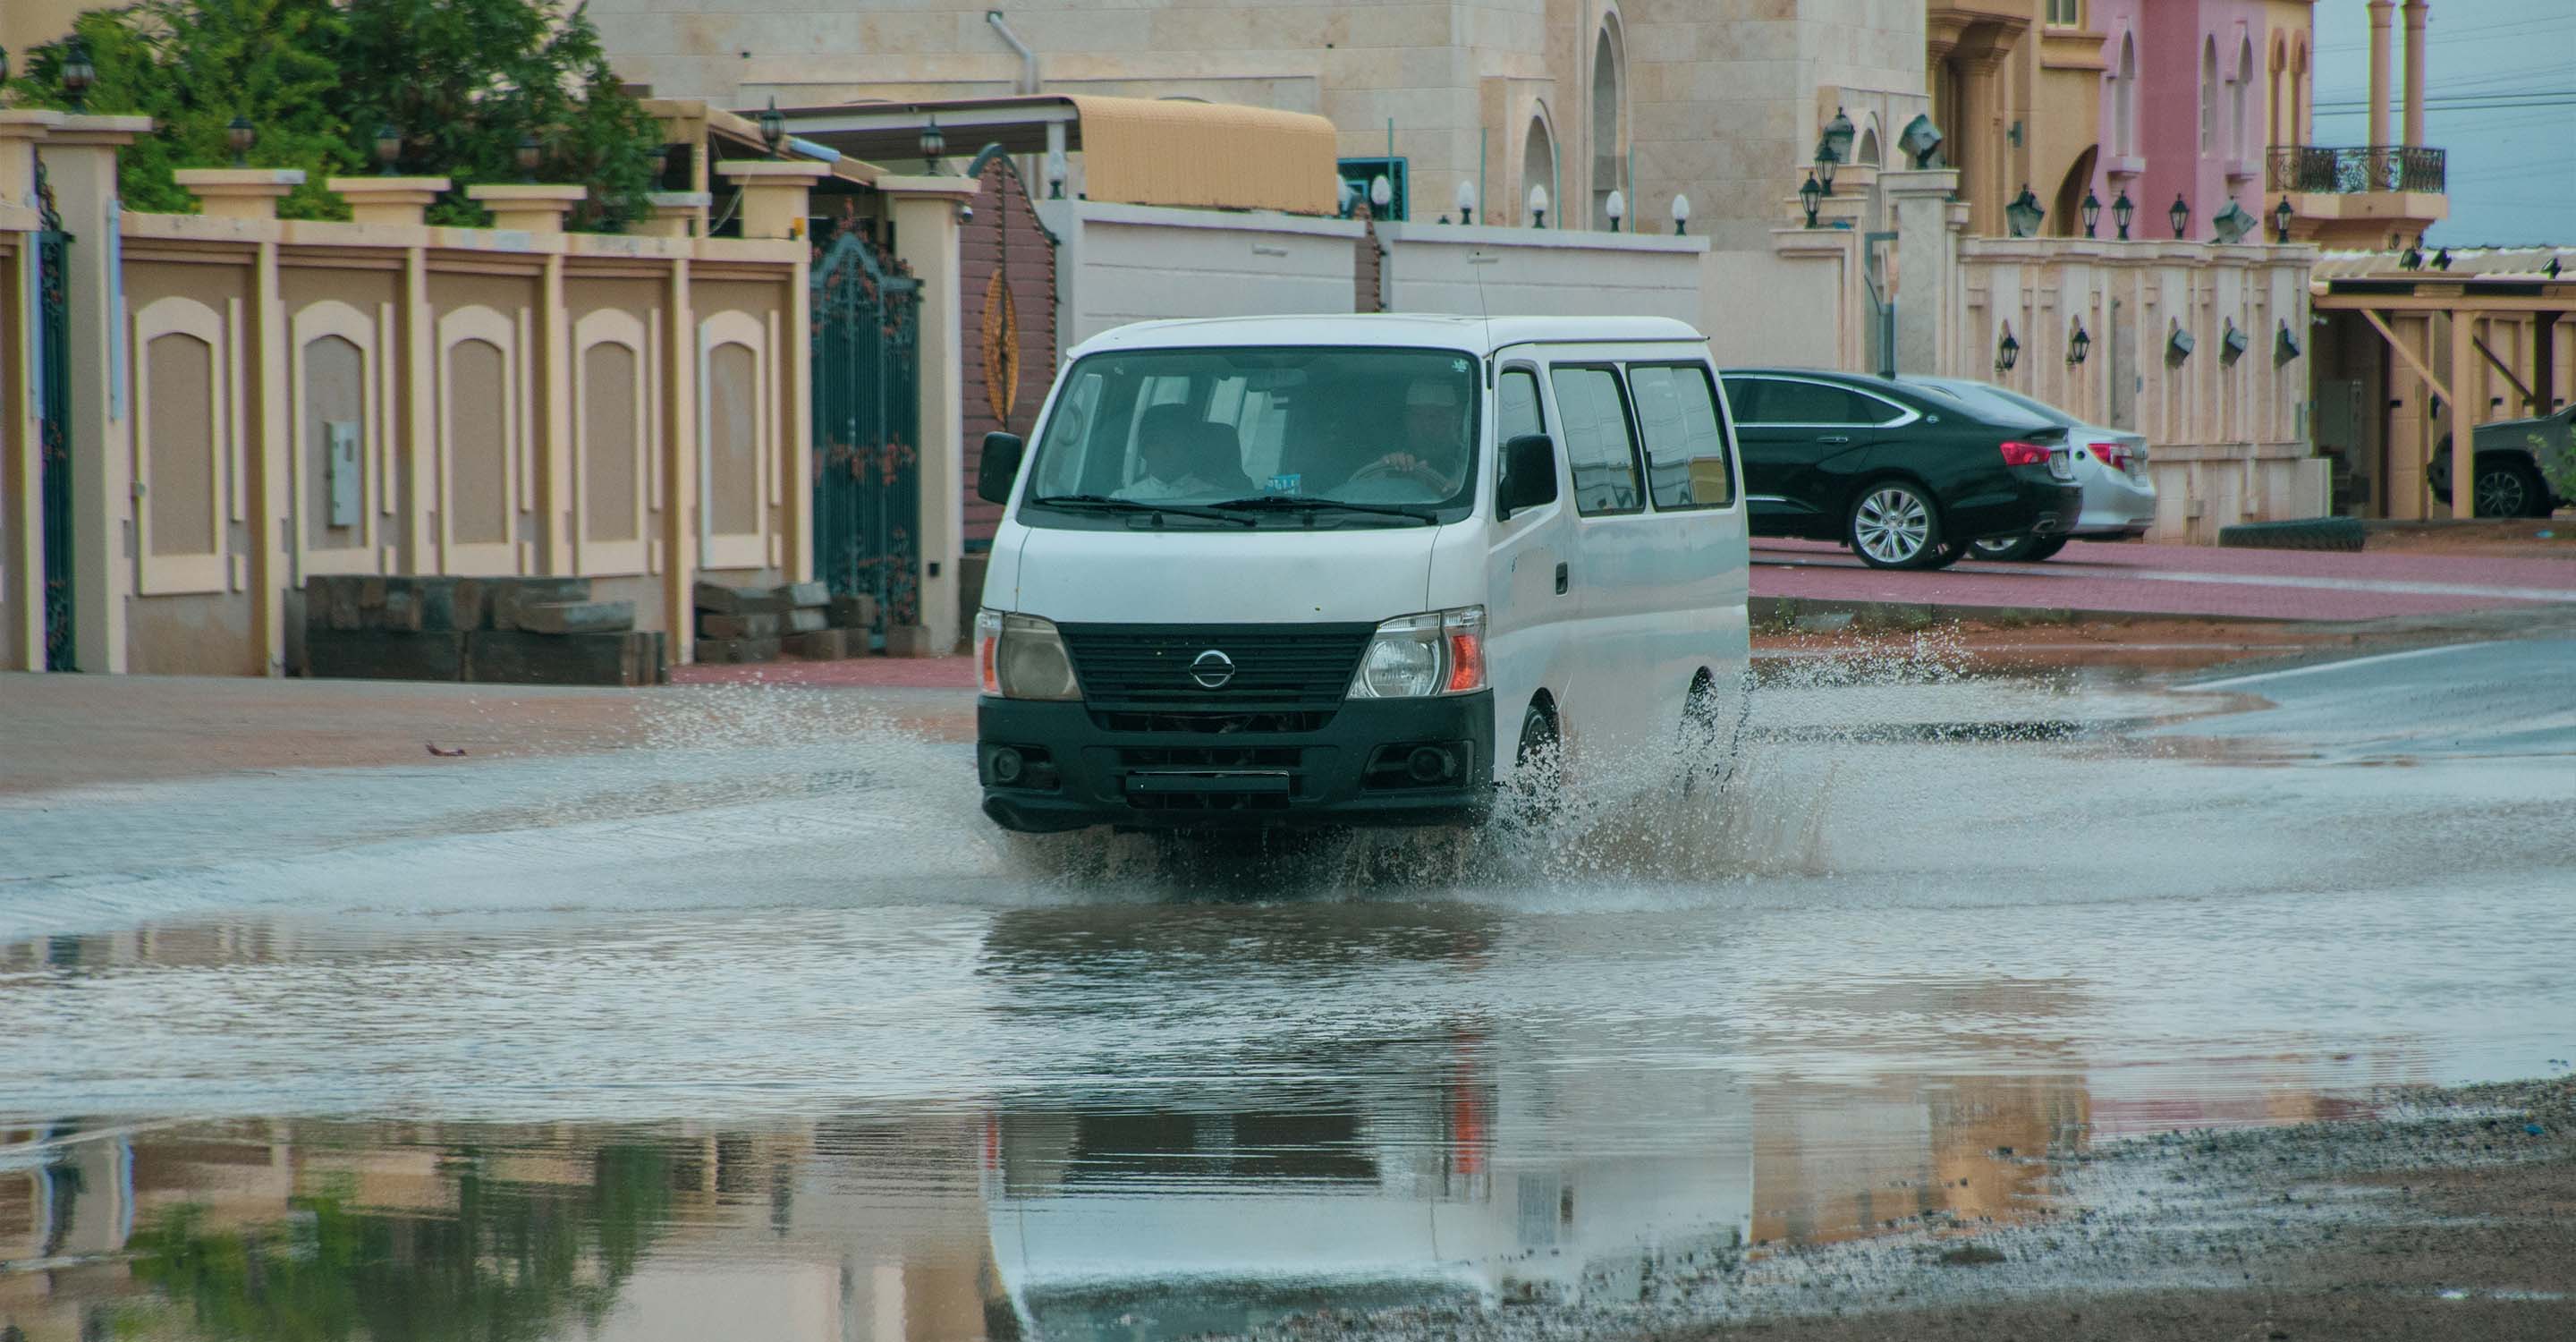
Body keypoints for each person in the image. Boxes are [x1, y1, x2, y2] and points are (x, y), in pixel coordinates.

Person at [1341, 378, 1470, 497]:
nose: (1427, 426)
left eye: (1436, 416)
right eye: (1417, 416)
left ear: (1456, 418)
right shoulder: (1384, 459)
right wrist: (1391, 475)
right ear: (1407, 419)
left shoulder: (1472, 464)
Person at [1121, 403, 1241, 500]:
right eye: (1156, 442)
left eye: (1172, 440)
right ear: (1143, 451)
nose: (1164, 449)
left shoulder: (1217, 498)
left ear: (1190, 447)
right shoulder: (1121, 500)